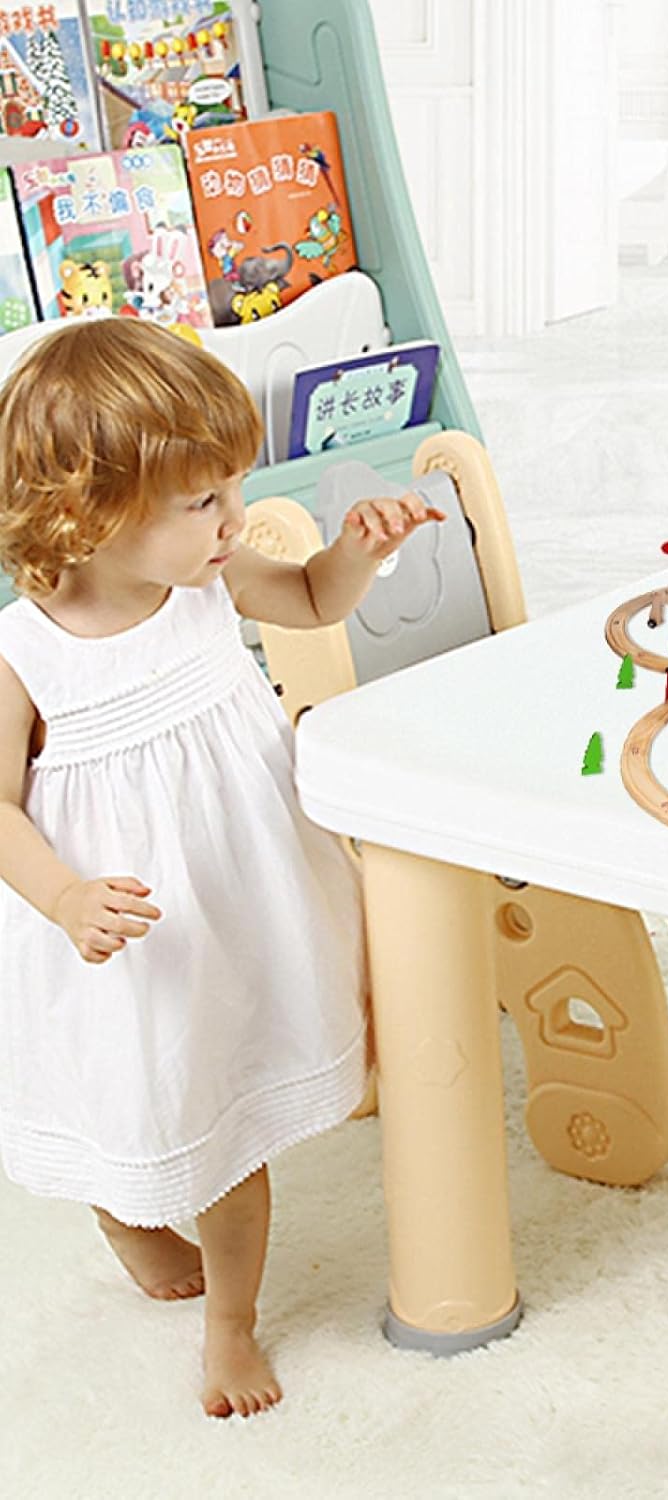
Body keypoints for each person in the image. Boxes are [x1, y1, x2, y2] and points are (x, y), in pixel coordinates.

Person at [0, 319, 445, 1419]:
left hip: (248, 891)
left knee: (230, 1118)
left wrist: (361, 550)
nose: (236, 519)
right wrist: (64, 896)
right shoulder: (26, 657)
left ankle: (231, 1324)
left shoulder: (207, 577)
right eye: (205, 500)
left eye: (234, 488)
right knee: (130, 1117)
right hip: (130, 938)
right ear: (89, 516)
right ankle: (132, 1223)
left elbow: (313, 598)